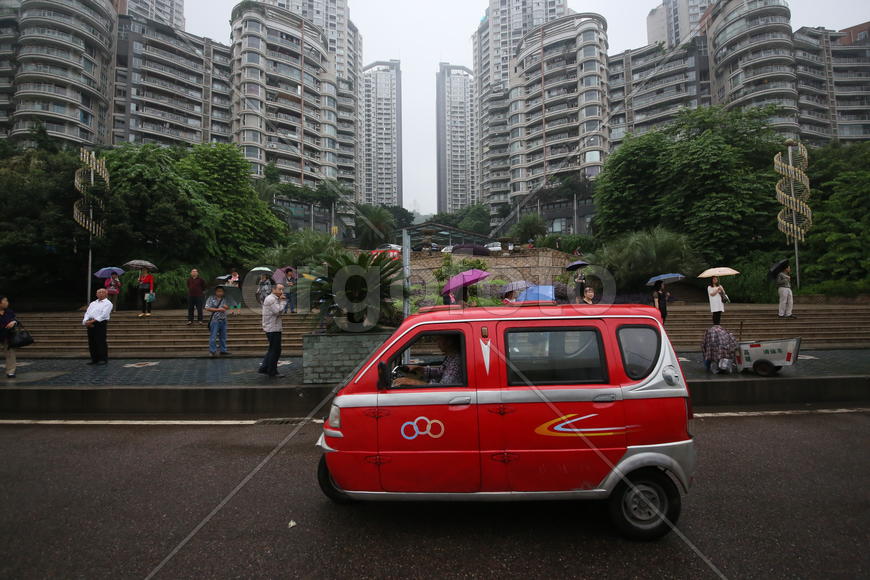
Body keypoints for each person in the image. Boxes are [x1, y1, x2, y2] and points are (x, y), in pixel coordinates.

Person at [393, 334, 463, 386]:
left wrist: (412, 382)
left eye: (439, 338)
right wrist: (420, 369)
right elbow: (440, 372)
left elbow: (443, 387)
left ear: (449, 342)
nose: (436, 342)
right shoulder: (451, 357)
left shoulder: (456, 362)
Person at [259, 283, 285, 378]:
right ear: (273, 289)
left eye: (282, 289)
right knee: (275, 350)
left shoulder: (274, 299)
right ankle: (272, 371)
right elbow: (277, 311)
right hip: (272, 328)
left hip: (273, 327)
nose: (282, 292)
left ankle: (264, 368)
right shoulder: (271, 299)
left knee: (272, 349)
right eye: (280, 289)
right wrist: (283, 302)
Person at [83, 288, 113, 365]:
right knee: (92, 342)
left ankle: (103, 359)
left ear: (106, 294)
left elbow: (104, 315)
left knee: (100, 341)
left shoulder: (108, 303)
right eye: (99, 292)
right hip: (90, 322)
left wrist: (92, 321)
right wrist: (85, 321)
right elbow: (87, 313)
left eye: (102, 292)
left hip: (100, 323)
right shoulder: (93, 303)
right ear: (96, 294)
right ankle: (94, 359)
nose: (100, 294)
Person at [205, 286, 230, 356]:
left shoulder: (224, 299)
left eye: (221, 291)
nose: (220, 293)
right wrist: (218, 310)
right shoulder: (211, 298)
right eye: (218, 291)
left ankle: (223, 350)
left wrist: (226, 307)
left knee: (223, 336)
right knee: (213, 336)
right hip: (215, 320)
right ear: (215, 292)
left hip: (223, 320)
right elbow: (207, 308)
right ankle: (212, 351)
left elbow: (228, 307)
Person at [0, 295, 18, 378]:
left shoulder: (9, 311)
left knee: (10, 353)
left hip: (7, 335)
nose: (7, 303)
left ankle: (10, 371)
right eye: (5, 301)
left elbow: (15, 319)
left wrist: (13, 322)